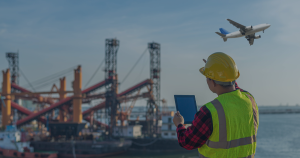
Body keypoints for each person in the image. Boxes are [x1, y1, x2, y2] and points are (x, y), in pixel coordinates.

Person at [173, 52, 259, 158]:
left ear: (212, 82)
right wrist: (216, 69)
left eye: (207, 77)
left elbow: (187, 142)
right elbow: (233, 85)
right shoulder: (250, 99)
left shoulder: (209, 111)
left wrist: (179, 124)